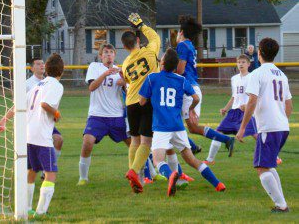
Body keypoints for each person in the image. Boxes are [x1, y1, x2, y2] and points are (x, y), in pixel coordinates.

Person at [139, 48, 226, 196]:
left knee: (158, 160)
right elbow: (196, 98)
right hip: (178, 126)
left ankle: (171, 175)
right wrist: (190, 109)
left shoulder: (152, 78)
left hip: (161, 127)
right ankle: (218, 183)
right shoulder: (181, 80)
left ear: (163, 62)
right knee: (192, 160)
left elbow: (141, 102)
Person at [236, 38, 292, 213]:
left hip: (269, 127)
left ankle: (281, 205)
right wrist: (279, 117)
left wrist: (243, 128)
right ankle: (280, 202)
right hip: (283, 127)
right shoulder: (281, 75)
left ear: (259, 53)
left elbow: (252, 100)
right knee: (268, 165)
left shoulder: (257, 74)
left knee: (261, 167)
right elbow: (288, 105)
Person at [175, 16, 235, 154]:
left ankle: (224, 140)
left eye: (179, 30)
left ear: (182, 32)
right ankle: (216, 142)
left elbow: (180, 70)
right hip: (193, 88)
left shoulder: (182, 45)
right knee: (187, 126)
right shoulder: (190, 45)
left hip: (188, 91)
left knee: (180, 124)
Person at [77, 44, 130, 185]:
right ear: (101, 56)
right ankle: (83, 178)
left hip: (116, 115)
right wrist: (106, 74)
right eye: (105, 52)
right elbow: (92, 87)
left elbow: (129, 91)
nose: (108, 55)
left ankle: (151, 173)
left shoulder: (121, 70)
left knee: (134, 144)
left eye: (111, 52)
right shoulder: (95, 67)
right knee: (87, 142)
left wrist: (124, 83)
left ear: (114, 55)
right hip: (97, 115)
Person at [121, 13, 160, 193]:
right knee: (146, 142)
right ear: (138, 40)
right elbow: (155, 37)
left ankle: (134, 178)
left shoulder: (125, 63)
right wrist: (141, 24)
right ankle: (134, 171)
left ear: (124, 46)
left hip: (130, 102)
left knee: (134, 140)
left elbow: (128, 80)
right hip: (147, 101)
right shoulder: (150, 51)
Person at [25, 54, 64, 216]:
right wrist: (56, 113)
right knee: (51, 173)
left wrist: (5, 119)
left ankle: (26, 208)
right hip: (42, 136)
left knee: (32, 170)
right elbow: (45, 104)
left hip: (28, 134)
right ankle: (41, 213)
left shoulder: (37, 85)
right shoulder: (56, 85)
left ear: (46, 69)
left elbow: (21, 105)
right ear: (61, 71)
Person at [204, 55, 257, 164]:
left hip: (245, 112)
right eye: (239, 62)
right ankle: (210, 159)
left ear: (248, 64)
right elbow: (234, 97)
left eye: (243, 62)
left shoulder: (252, 77)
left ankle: (274, 156)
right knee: (218, 132)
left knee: (256, 135)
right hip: (233, 112)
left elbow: (255, 96)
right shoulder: (234, 79)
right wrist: (225, 108)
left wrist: (247, 105)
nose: (241, 64)